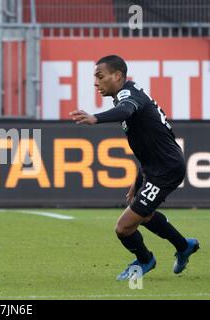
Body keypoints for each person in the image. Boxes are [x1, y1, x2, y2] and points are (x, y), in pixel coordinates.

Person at [70, 55, 199, 281]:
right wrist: (138, 180)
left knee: (124, 228)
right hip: (157, 167)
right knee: (144, 214)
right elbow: (147, 143)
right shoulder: (128, 94)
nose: (95, 82)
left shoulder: (127, 95)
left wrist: (94, 118)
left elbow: (126, 111)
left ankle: (145, 259)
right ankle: (183, 245)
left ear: (117, 76)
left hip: (166, 169)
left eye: (100, 76)